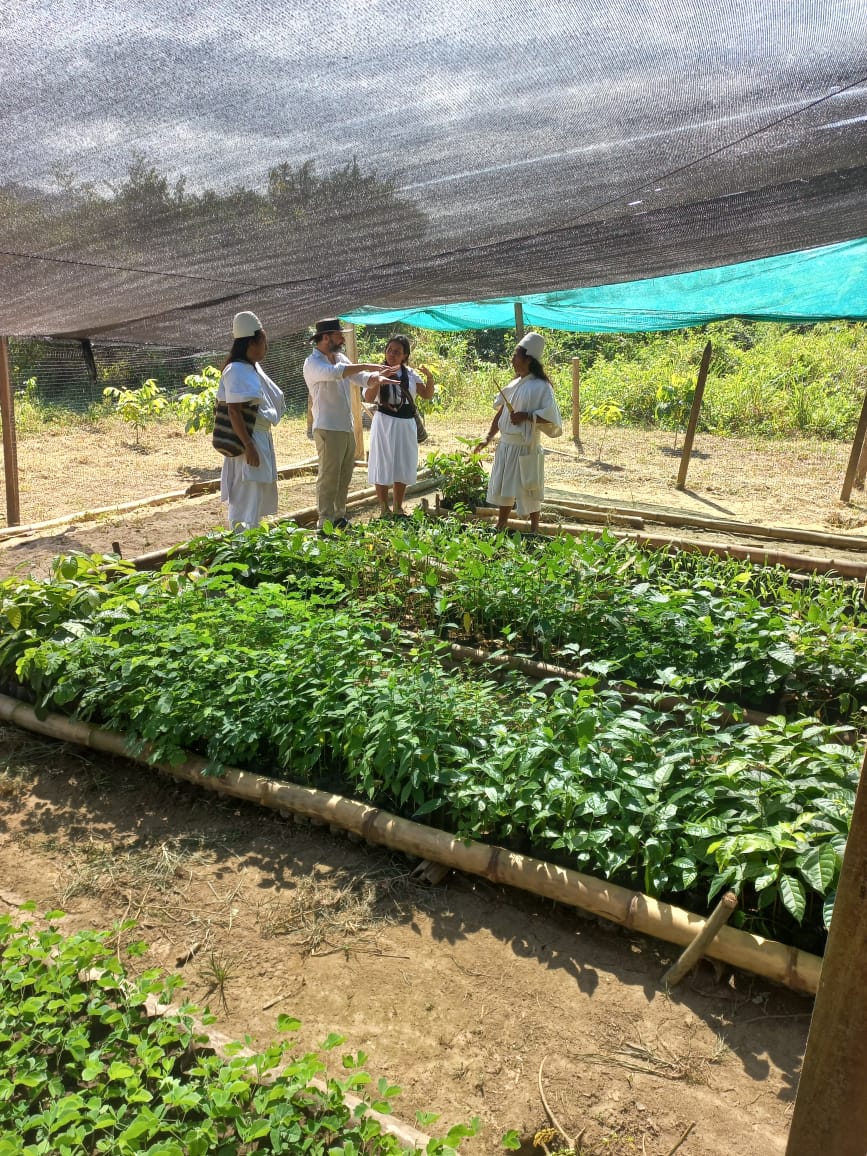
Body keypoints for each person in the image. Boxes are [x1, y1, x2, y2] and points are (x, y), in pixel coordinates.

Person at [303, 319, 396, 529]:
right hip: (327, 427)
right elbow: (336, 373)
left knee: (344, 476)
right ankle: (324, 522)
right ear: (326, 337)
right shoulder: (312, 363)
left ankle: (338, 517)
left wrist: (376, 377)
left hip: (345, 426)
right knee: (328, 477)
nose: (343, 338)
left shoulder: (340, 357)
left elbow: (360, 377)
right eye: (339, 335)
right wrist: (369, 366)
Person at [474, 331, 563, 532]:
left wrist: (525, 416)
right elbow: (501, 413)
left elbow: (552, 417)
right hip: (507, 445)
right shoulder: (514, 384)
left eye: (516, 355)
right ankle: (501, 523)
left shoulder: (541, 387)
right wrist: (488, 437)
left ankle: (534, 528)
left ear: (528, 359)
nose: (512, 360)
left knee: (529, 486)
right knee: (505, 484)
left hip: (525, 445)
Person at [217, 310, 286, 529]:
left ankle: (252, 544)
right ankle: (241, 548)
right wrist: (249, 445)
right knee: (245, 497)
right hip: (248, 438)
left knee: (255, 496)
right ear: (251, 343)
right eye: (263, 341)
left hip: (258, 436)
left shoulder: (250, 367)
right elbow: (234, 411)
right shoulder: (236, 369)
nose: (266, 347)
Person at [364, 334, 435, 517]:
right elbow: (369, 398)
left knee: (402, 463)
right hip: (384, 422)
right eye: (389, 350)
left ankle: (397, 506)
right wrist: (378, 379)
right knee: (382, 461)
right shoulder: (376, 372)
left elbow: (426, 394)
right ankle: (383, 508)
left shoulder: (410, 375)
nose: (392, 354)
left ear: (405, 355)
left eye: (397, 352)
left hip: (405, 423)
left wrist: (430, 377)